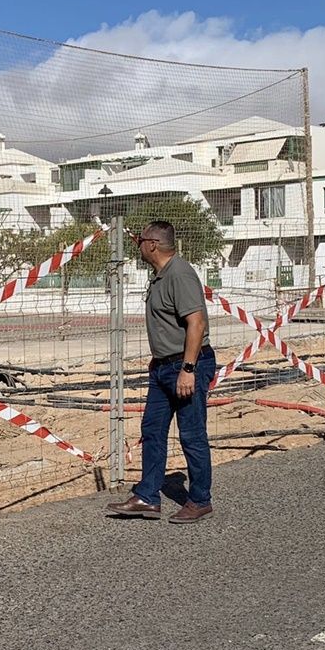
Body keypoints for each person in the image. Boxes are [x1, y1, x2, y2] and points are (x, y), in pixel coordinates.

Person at [107, 220, 216, 524]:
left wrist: (188, 369)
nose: (137, 245)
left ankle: (200, 500)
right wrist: (160, 361)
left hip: (186, 365)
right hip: (163, 367)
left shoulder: (179, 274)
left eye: (140, 240)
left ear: (152, 244)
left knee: (192, 435)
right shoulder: (160, 276)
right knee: (152, 431)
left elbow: (197, 323)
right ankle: (147, 496)